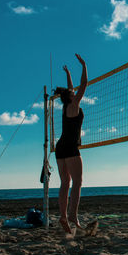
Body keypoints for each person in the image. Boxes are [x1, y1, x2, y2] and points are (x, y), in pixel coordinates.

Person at [54, 53, 87, 233]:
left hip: (60, 147)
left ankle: (63, 216)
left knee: (65, 182)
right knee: (78, 182)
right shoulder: (74, 104)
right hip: (70, 147)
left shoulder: (67, 104)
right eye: (73, 92)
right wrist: (84, 65)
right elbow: (83, 85)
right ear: (71, 96)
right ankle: (73, 215)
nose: (74, 92)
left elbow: (71, 88)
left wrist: (67, 73)